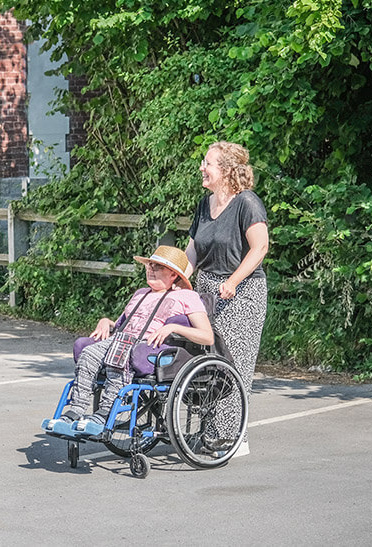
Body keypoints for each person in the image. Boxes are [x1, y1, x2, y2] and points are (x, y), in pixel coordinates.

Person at [56, 245, 214, 435]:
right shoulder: (140, 293)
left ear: (173, 274)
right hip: (122, 339)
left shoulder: (187, 297)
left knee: (121, 350)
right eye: (149, 265)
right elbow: (121, 324)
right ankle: (76, 410)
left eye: (157, 267)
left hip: (150, 347)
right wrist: (106, 322)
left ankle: (104, 413)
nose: (151, 269)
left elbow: (207, 336)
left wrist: (173, 327)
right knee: (88, 351)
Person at [185, 141, 269, 455]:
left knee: (232, 362)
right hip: (206, 289)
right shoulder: (204, 205)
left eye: (208, 163)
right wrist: (174, 280)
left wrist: (234, 280)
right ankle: (209, 434)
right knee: (204, 360)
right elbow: (192, 252)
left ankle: (235, 437)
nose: (202, 168)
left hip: (242, 291)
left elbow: (260, 248)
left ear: (226, 171)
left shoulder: (247, 202)